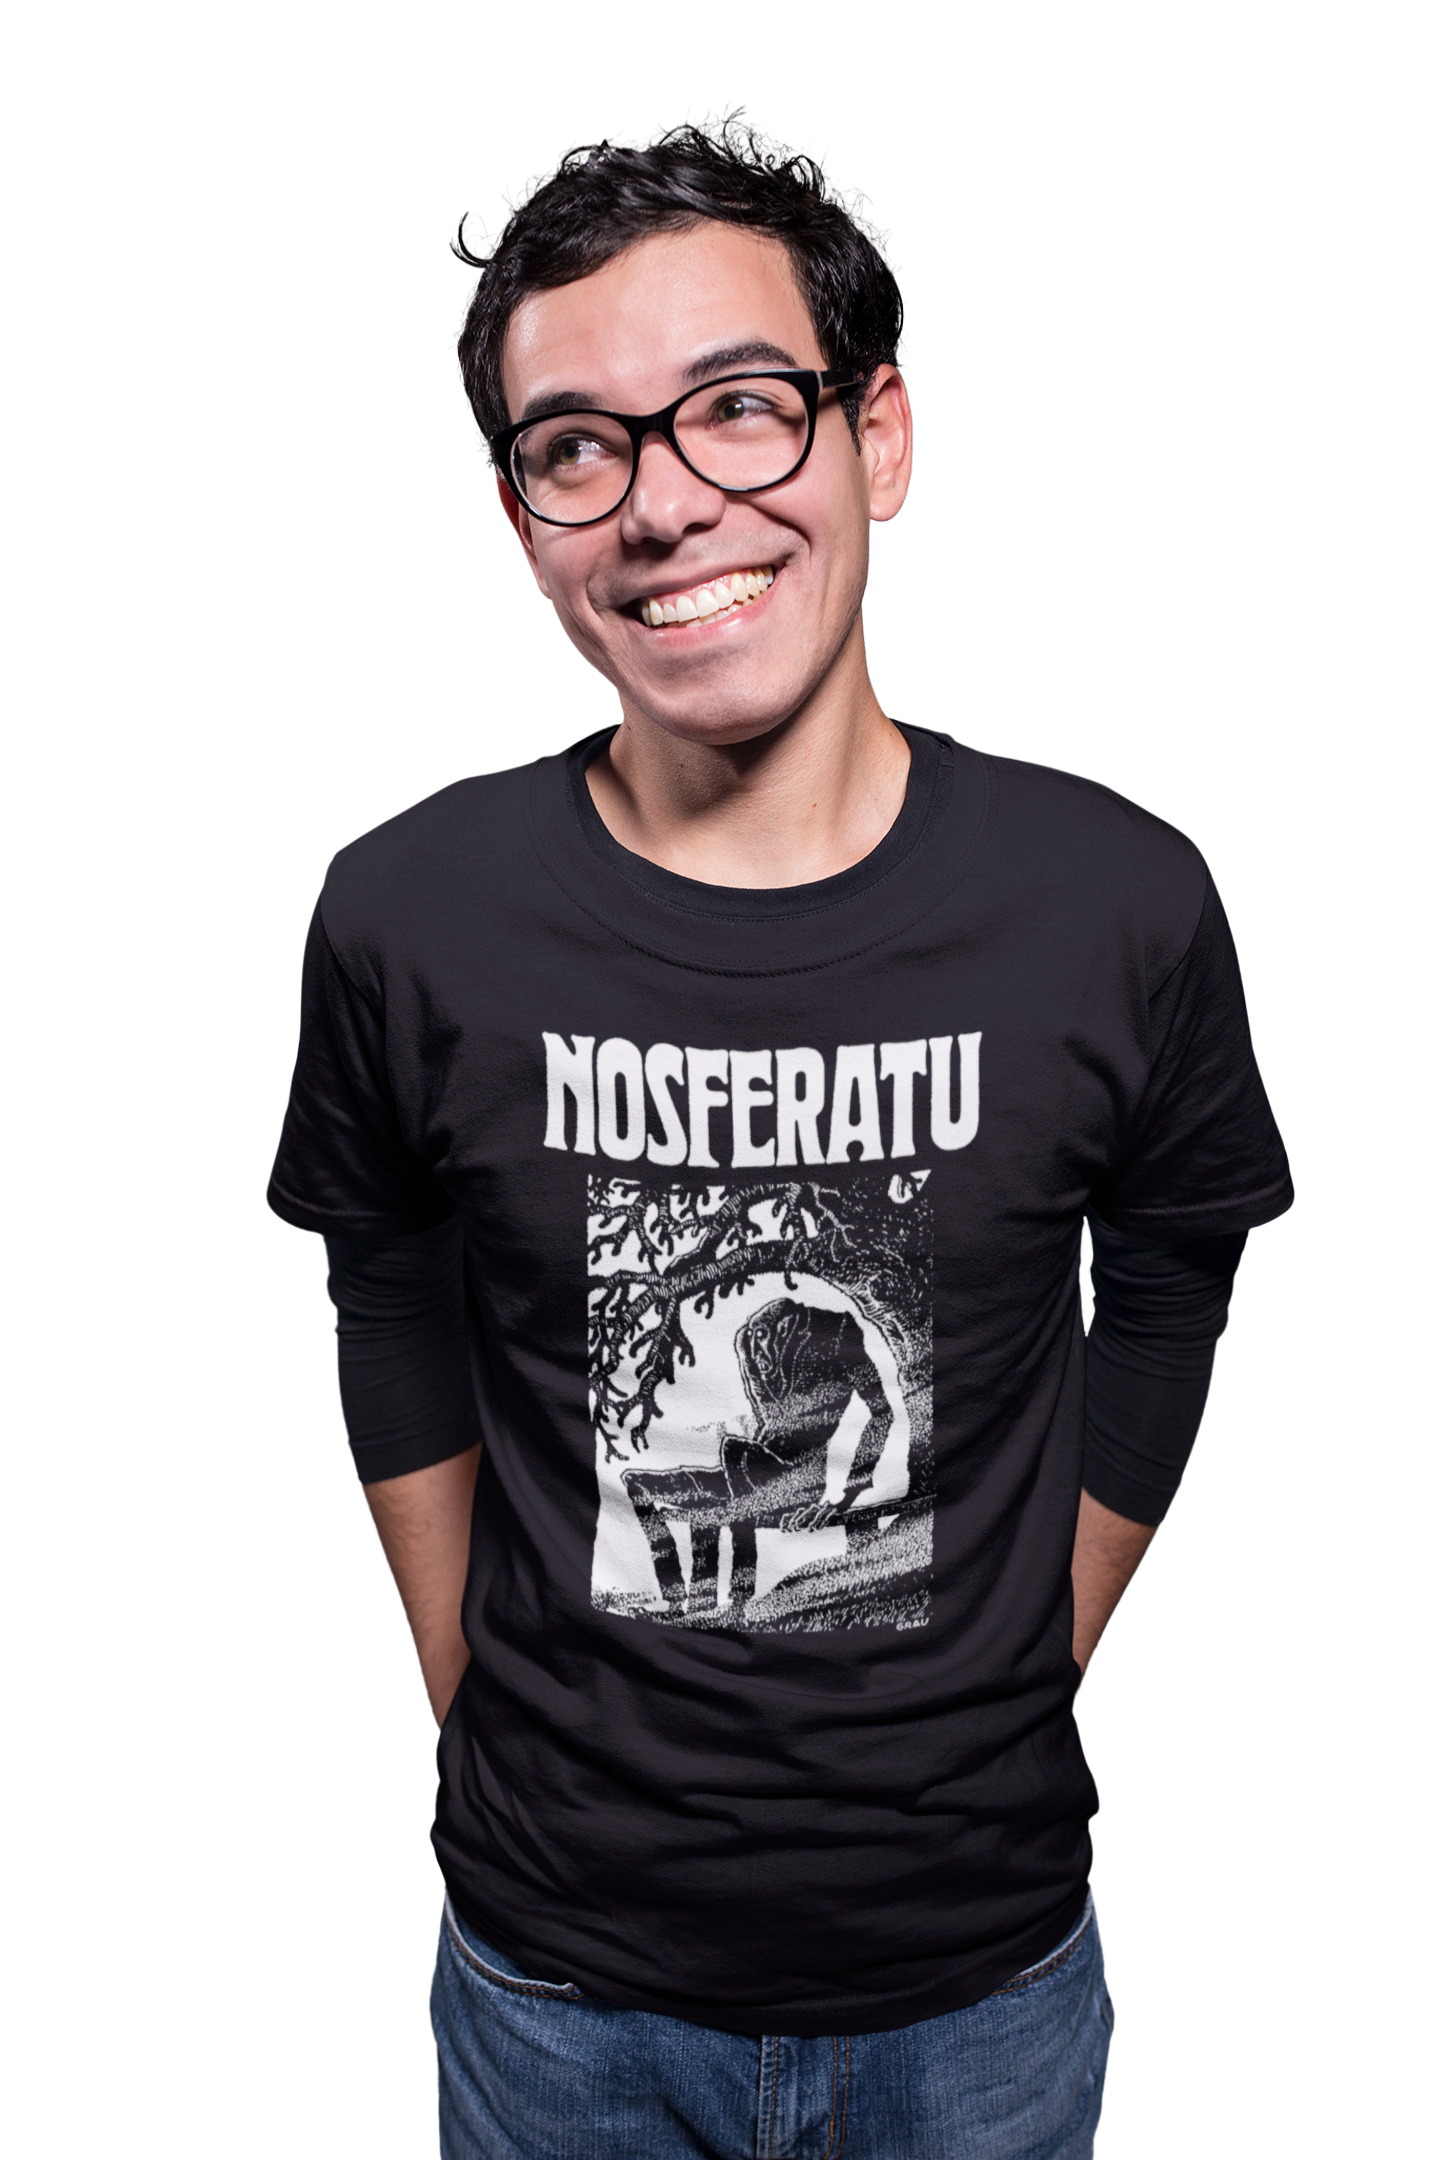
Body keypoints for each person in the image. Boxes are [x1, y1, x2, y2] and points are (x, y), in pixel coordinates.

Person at [265, 107, 1294, 2159]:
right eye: (579, 446)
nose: (666, 505)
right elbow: (382, 1289)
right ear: (522, 519)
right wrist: (471, 1693)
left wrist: (1038, 1653)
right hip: (556, 1998)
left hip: (982, 1990)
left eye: (739, 407)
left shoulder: (1117, 901)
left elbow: (1176, 1280)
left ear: (877, 438)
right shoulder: (405, 910)